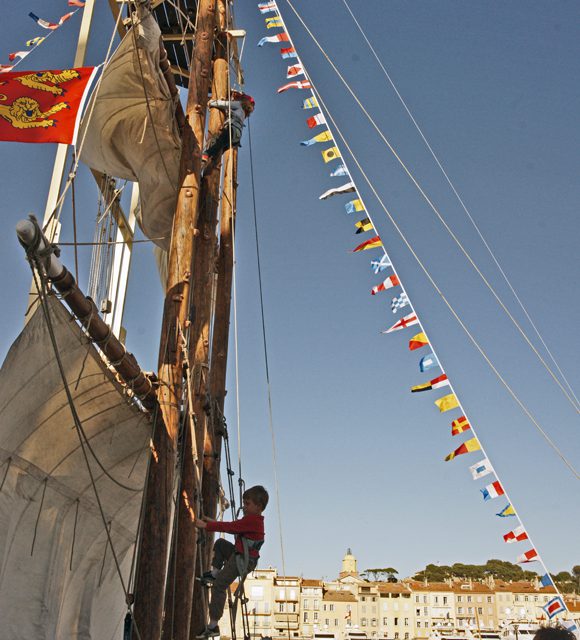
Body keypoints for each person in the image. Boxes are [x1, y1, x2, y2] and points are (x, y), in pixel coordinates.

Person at [195, 485, 268, 638]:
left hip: (243, 560)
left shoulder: (253, 521)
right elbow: (231, 526)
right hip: (239, 555)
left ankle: (213, 626)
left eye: (247, 504)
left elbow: (231, 527)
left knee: (219, 585)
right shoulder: (252, 520)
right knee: (221, 544)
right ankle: (214, 573)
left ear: (259, 506)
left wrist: (206, 525)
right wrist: (211, 522)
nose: (244, 506)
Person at [201, 91, 255, 174]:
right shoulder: (244, 112)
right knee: (218, 151)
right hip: (236, 138)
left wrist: (212, 103)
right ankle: (206, 169)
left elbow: (224, 104)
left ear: (243, 100)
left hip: (231, 130)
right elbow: (230, 113)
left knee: (216, 141)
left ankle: (205, 155)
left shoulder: (239, 104)